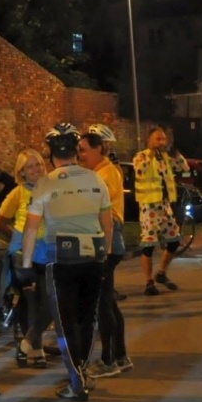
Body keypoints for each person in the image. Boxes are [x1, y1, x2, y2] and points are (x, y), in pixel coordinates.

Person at [19, 124, 111, 401]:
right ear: (76, 151)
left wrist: (25, 265)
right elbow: (107, 221)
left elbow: (31, 228)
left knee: (65, 323)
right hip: (93, 257)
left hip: (61, 258)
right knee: (86, 318)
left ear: (50, 153)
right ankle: (82, 372)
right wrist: (104, 253)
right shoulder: (96, 179)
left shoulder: (45, 184)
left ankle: (76, 382)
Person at [79, 125, 130, 376]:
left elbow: (100, 204)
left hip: (108, 238)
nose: (80, 155)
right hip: (110, 239)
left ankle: (108, 361)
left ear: (99, 149)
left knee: (103, 303)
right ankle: (120, 356)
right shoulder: (101, 171)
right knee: (108, 302)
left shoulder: (105, 173)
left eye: (84, 150)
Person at [0, 148, 49, 368]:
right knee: (32, 304)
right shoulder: (17, 193)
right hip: (23, 254)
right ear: (22, 172)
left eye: (38, 165)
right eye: (29, 167)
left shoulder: (52, 189)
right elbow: (0, 222)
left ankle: (27, 344)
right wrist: (15, 240)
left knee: (49, 301)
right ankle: (37, 350)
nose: (35, 170)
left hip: (48, 252)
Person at [131, 126, 182, 295]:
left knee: (174, 240)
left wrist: (176, 155)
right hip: (149, 206)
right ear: (149, 140)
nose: (162, 142)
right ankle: (148, 282)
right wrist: (152, 153)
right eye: (158, 139)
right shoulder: (141, 156)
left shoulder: (165, 157)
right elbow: (140, 170)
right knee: (149, 245)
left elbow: (183, 167)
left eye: (163, 139)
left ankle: (161, 273)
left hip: (165, 205)